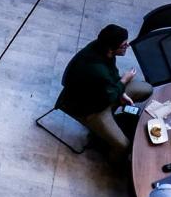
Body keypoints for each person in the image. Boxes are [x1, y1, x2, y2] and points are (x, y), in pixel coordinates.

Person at [56, 24, 153, 161]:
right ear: (111, 48)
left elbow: (112, 75)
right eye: (124, 45)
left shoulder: (102, 50)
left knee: (146, 89)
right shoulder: (98, 71)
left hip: (101, 93)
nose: (128, 46)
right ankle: (113, 162)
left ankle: (112, 122)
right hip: (88, 109)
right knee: (124, 145)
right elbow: (110, 95)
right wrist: (124, 81)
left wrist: (121, 92)